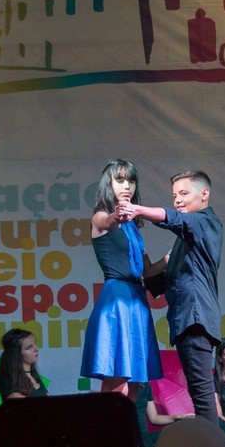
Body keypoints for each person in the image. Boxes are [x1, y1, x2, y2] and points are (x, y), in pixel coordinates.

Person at [120, 170, 223, 424]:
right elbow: (154, 277)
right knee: (198, 393)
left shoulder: (205, 222)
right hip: (187, 321)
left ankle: (212, 446)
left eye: (184, 193)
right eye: (175, 195)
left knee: (202, 395)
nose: (177, 200)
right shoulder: (184, 241)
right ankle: (208, 444)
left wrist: (137, 210)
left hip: (195, 319)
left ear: (204, 194)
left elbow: (173, 218)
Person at [80, 159, 163, 402]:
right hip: (117, 301)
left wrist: (175, 254)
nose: (127, 186)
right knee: (118, 382)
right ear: (108, 184)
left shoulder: (134, 228)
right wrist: (118, 215)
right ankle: (108, 427)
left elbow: (148, 271)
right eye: (120, 180)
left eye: (131, 180)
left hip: (137, 301)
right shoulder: (101, 216)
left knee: (135, 385)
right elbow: (108, 221)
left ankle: (127, 426)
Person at [134, 383, 194, 447]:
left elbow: (154, 418)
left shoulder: (145, 384)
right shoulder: (121, 386)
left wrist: (179, 417)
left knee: (182, 430)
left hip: (145, 436)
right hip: (131, 434)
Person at [0, 329, 49, 399]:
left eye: (35, 344)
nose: (37, 349)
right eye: (29, 347)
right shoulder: (7, 380)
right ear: (16, 354)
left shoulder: (34, 375)